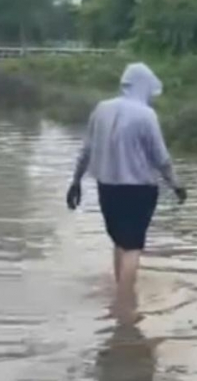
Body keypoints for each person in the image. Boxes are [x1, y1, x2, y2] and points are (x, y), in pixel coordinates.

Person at [67, 62, 186, 302]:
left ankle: (118, 292)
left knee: (119, 241)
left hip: (107, 187)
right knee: (133, 246)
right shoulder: (146, 115)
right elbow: (161, 158)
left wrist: (76, 181)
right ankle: (125, 306)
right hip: (139, 190)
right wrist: (176, 184)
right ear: (144, 87)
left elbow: (87, 150)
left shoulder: (102, 108)